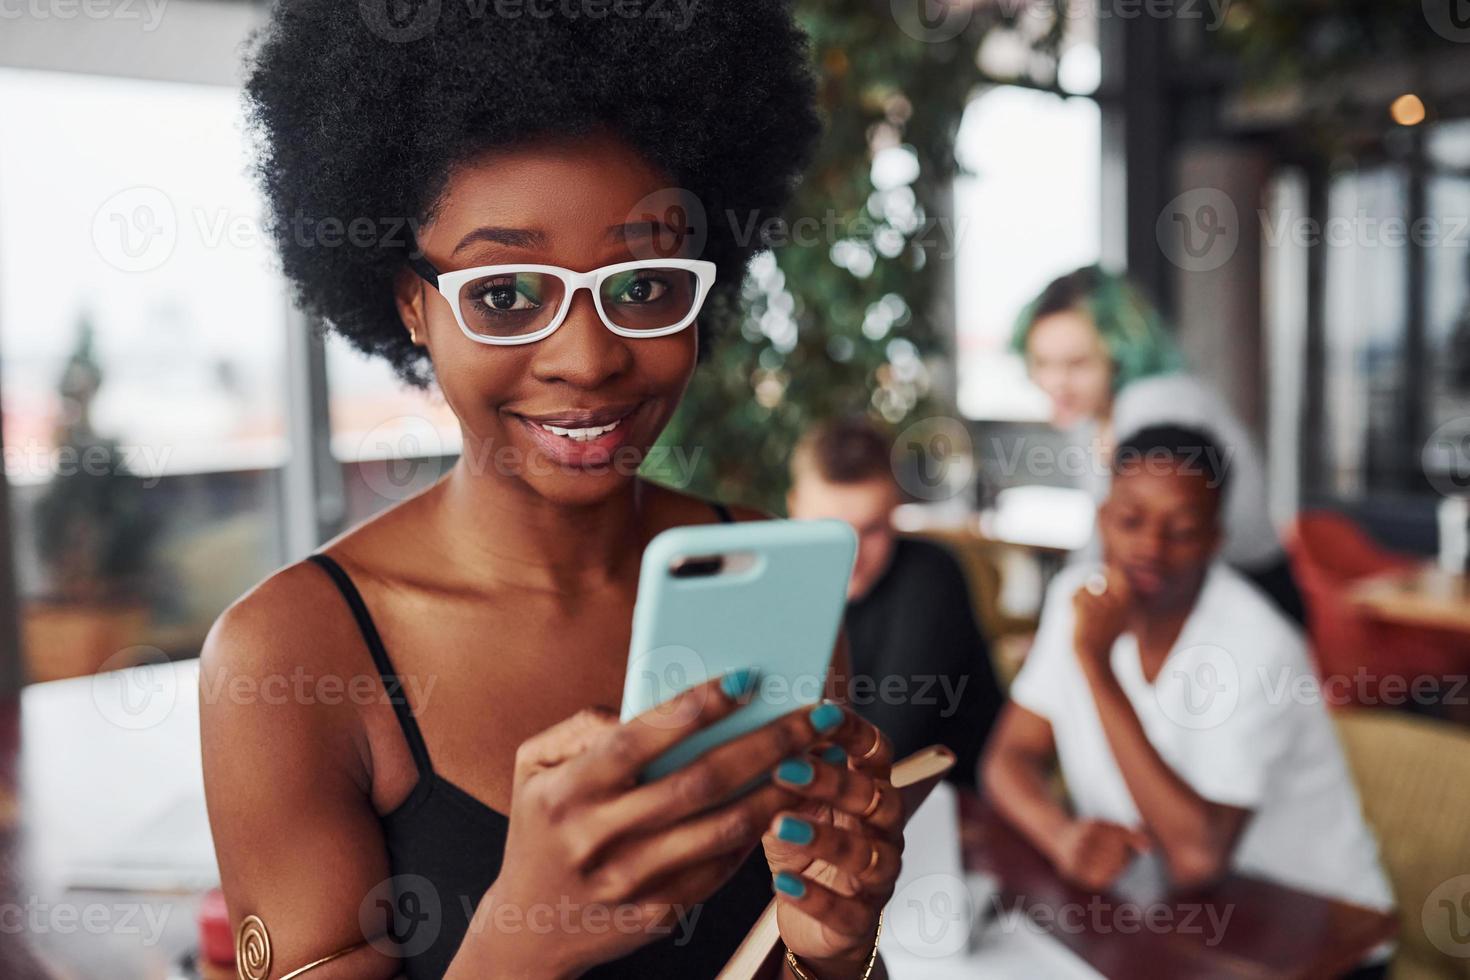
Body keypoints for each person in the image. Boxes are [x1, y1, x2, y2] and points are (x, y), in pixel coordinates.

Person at [200, 6, 905, 979]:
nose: (587, 358)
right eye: (505, 294)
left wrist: (833, 953)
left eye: (645, 285)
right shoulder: (289, 656)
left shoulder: (768, 581)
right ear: (413, 304)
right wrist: (521, 940)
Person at [982, 425, 1393, 978]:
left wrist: (1096, 665)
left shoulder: (1258, 645)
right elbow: (1008, 758)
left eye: (1180, 529)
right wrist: (1063, 838)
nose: (1150, 547)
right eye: (1130, 520)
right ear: (1102, 518)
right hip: (1164, 916)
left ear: (1215, 539)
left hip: (1316, 935)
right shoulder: (1074, 599)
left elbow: (1197, 860)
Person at [1013, 265, 1305, 624]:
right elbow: (1107, 536)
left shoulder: (1157, 405)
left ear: (1121, 356)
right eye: (1043, 363)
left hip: (1245, 603)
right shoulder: (1092, 416)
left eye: (1078, 363)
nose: (1055, 382)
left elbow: (1141, 545)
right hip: (1186, 599)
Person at [786, 416, 1004, 792]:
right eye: (829, 532)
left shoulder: (931, 577)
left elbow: (882, 747)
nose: (850, 555)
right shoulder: (782, 583)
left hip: (953, 804)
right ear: (793, 510)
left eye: (871, 530)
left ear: (896, 512)